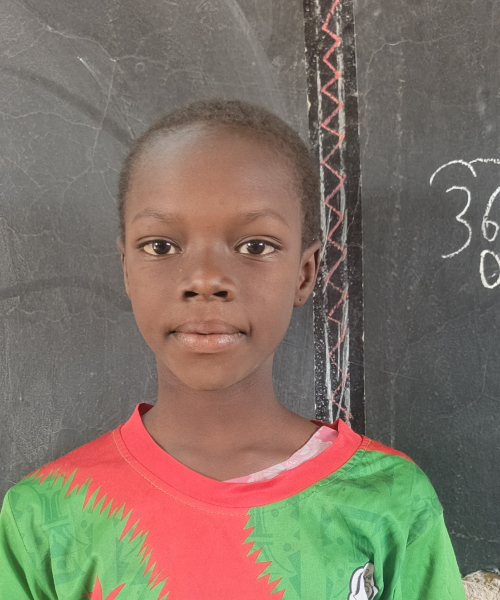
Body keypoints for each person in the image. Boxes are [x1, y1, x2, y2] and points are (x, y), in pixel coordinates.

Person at [0, 99, 466, 600]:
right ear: (126, 270)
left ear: (304, 274)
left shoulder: (390, 500)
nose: (205, 280)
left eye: (254, 246)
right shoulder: (45, 517)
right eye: (161, 246)